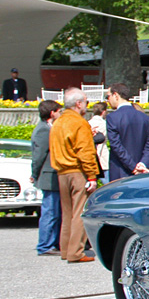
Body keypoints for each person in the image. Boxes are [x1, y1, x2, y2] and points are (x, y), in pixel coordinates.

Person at [49, 88, 99, 263]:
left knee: (67, 213)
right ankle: (76, 252)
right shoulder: (79, 123)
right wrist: (92, 176)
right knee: (80, 212)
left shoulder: (58, 122)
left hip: (61, 172)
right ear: (78, 104)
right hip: (77, 172)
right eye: (85, 101)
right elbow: (85, 152)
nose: (87, 105)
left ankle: (65, 250)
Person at [105, 83, 149, 181]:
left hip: (120, 172)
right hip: (142, 170)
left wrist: (133, 167)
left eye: (108, 96)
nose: (107, 100)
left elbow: (116, 146)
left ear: (115, 95)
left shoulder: (112, 118)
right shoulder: (144, 117)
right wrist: (143, 163)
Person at [30, 100, 62, 256]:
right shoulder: (44, 130)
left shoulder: (48, 128)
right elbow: (38, 156)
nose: (60, 114)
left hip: (52, 176)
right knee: (50, 212)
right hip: (48, 176)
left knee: (54, 211)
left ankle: (53, 242)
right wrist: (34, 174)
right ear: (52, 113)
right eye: (58, 111)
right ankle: (44, 245)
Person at [89, 101, 109, 182]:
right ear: (103, 111)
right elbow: (100, 142)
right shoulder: (103, 124)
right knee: (107, 183)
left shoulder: (88, 122)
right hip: (102, 156)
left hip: (92, 155)